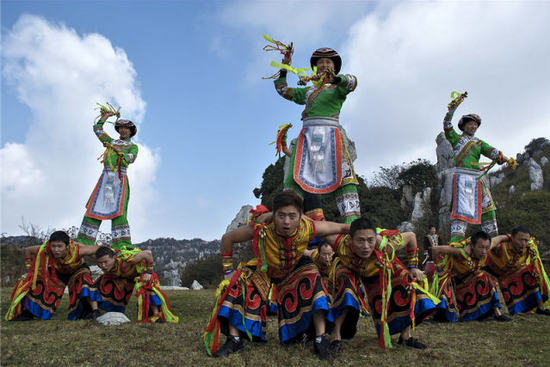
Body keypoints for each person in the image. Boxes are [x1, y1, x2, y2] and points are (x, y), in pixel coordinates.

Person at [203, 190, 350, 360]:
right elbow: (227, 238)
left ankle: (320, 337)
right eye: (281, 215)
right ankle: (235, 339)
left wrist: (371, 233)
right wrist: (228, 272)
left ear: (300, 215)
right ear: (274, 215)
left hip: (293, 271)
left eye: (292, 216)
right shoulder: (261, 227)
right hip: (264, 271)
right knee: (236, 282)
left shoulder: (308, 227)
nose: (286, 221)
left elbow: (341, 227)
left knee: (312, 274)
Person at [324, 218, 437, 353]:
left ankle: (406, 336)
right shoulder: (341, 244)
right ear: (350, 239)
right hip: (350, 267)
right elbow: (315, 228)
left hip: (380, 267)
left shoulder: (388, 244)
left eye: (370, 240)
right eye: (360, 240)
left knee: (406, 279)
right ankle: (335, 336)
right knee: (345, 284)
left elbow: (411, 237)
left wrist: (413, 267)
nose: (366, 246)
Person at [274, 47, 360, 224]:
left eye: (328, 63)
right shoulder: (307, 92)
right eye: (320, 63)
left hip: (331, 136)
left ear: (335, 68)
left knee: (345, 178)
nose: (323, 66)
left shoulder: (338, 88)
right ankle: (287, 222)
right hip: (308, 137)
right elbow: (282, 90)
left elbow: (352, 82)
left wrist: (335, 79)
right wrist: (284, 68)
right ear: (315, 68)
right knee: (295, 178)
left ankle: (353, 225)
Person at [443, 93, 515, 243]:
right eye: (470, 124)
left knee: (489, 209)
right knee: (461, 213)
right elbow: (447, 125)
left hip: (477, 179)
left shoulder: (479, 143)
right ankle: (455, 244)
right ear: (463, 126)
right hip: (463, 179)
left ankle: (494, 243)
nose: (473, 126)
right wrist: (453, 108)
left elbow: (493, 152)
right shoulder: (457, 139)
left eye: (475, 125)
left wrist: (507, 160)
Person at [77, 107, 138, 250]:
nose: (123, 130)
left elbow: (131, 158)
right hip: (106, 178)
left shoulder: (132, 146)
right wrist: (105, 117)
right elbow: (98, 130)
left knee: (119, 211)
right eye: (121, 128)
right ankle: (83, 242)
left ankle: (121, 244)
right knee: (94, 207)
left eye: (126, 128)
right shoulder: (111, 141)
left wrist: (121, 154)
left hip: (120, 179)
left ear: (131, 131)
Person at [5, 231, 101, 321]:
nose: (56, 250)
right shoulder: (46, 249)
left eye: (60, 246)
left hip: (77, 270)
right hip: (57, 272)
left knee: (84, 280)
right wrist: (28, 271)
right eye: (53, 246)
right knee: (33, 278)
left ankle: (94, 311)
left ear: (67, 246)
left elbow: (97, 250)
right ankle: (28, 312)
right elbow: (28, 250)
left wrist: (102, 261)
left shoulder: (78, 249)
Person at [431, 231, 512, 322]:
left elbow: (499, 238)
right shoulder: (460, 252)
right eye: (480, 247)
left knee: (484, 277)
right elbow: (435, 249)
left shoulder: (486, 247)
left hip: (470, 279)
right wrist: (439, 269)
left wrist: (511, 237)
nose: (484, 251)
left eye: (486, 248)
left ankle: (497, 313)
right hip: (454, 280)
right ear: (472, 245)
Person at [94, 246, 179, 323]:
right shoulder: (106, 261)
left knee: (147, 284)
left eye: (105, 262)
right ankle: (94, 310)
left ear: (113, 258)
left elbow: (148, 253)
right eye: (100, 263)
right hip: (124, 276)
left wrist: (149, 272)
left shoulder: (126, 262)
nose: (103, 265)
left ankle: (156, 315)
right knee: (98, 284)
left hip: (141, 273)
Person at [483, 225, 550, 316]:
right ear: (512, 238)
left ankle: (540, 307)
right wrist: (504, 237)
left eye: (526, 240)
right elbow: (490, 244)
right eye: (520, 240)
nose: (523, 243)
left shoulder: (529, 247)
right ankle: (497, 313)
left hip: (509, 274)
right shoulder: (501, 246)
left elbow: (536, 264)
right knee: (483, 278)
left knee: (531, 272)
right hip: (489, 271)